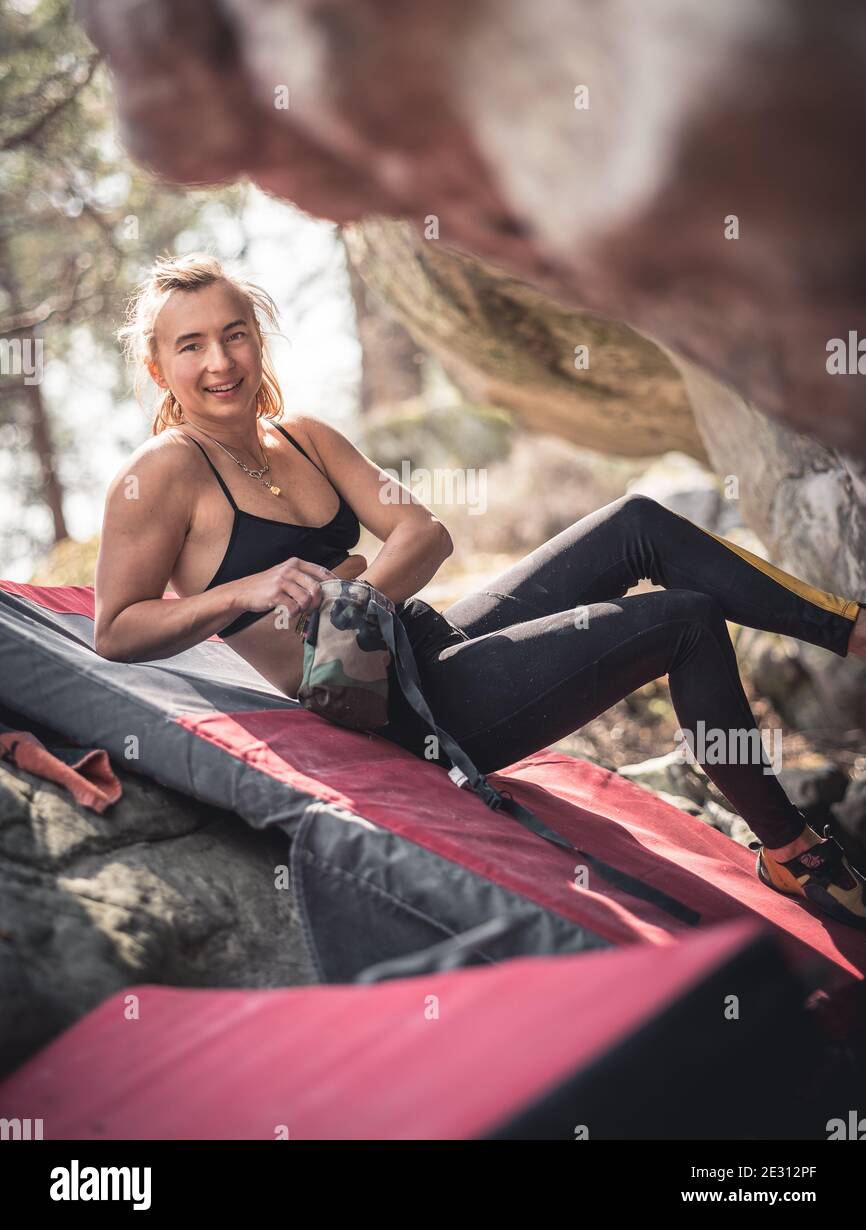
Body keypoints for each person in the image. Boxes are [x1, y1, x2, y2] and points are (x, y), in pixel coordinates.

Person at [96, 252, 866, 930]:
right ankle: (794, 852)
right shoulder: (162, 473)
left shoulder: (305, 436)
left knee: (639, 522)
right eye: (190, 345)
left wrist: (341, 600)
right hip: (400, 713)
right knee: (687, 621)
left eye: (234, 333)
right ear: (161, 369)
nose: (220, 360)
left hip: (428, 640)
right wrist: (241, 593)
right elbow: (118, 630)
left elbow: (426, 534)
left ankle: (852, 631)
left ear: (257, 338)